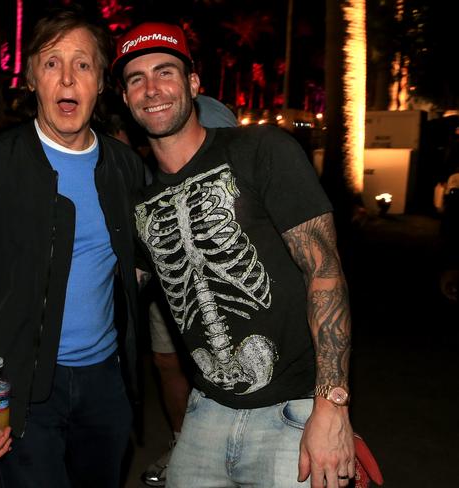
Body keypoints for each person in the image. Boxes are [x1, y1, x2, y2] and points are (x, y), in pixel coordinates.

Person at [113, 22, 355, 488]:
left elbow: (325, 272)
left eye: (165, 72)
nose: (151, 89)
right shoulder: (139, 204)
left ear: (193, 84)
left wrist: (332, 407)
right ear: (125, 99)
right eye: (136, 79)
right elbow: (113, 289)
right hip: (204, 411)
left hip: (295, 411)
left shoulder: (261, 150)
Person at [0, 7, 144, 488]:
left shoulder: (125, 169)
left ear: (101, 83)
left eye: (82, 64)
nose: (67, 77)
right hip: (19, 387)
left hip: (106, 386)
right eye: (51, 63)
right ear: (31, 79)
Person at [141, 94, 238, 487]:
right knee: (168, 361)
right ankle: (182, 441)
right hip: (168, 272)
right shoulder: (151, 122)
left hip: (223, 258)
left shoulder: (216, 113)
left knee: (223, 360)